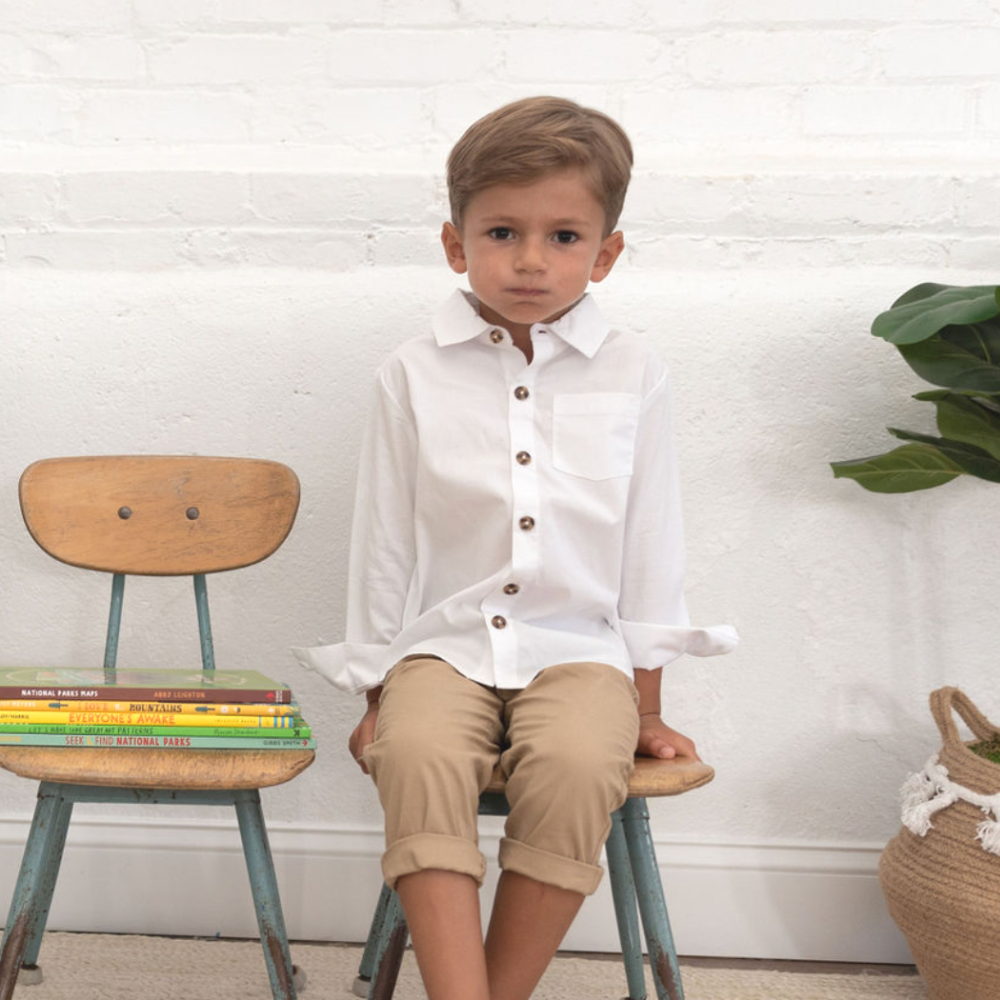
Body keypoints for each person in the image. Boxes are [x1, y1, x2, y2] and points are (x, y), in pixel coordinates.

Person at [295, 96, 737, 1000]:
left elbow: (651, 545)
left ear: (606, 253)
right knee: (416, 755)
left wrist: (647, 708)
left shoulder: (635, 372)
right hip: (443, 649)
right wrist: (379, 690)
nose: (531, 259)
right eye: (502, 231)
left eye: (564, 236)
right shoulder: (412, 373)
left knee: (579, 766)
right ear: (456, 244)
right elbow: (383, 544)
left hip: (582, 652)